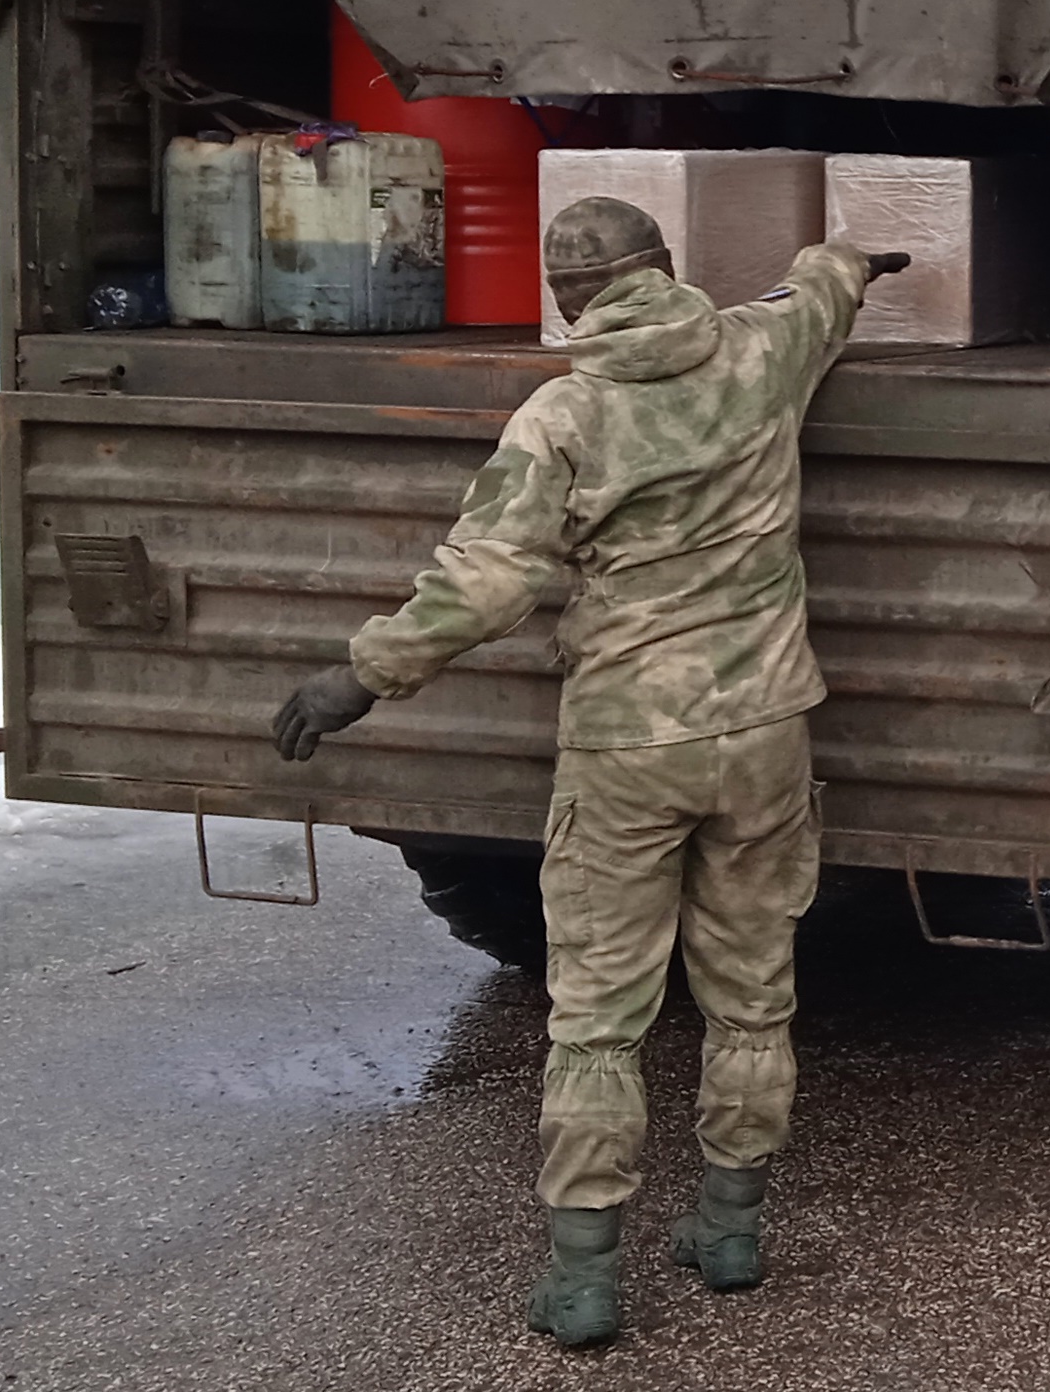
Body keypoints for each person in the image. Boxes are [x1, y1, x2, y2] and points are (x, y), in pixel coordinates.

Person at [272, 196, 906, 1349]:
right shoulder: (759, 352)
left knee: (600, 1018)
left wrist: (358, 675)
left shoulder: (564, 411)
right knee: (752, 993)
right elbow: (817, 289)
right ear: (664, 266)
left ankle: (584, 1277)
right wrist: (853, 254)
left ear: (568, 292)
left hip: (627, 745)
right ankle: (729, 1229)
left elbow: (489, 581)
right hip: (766, 727)